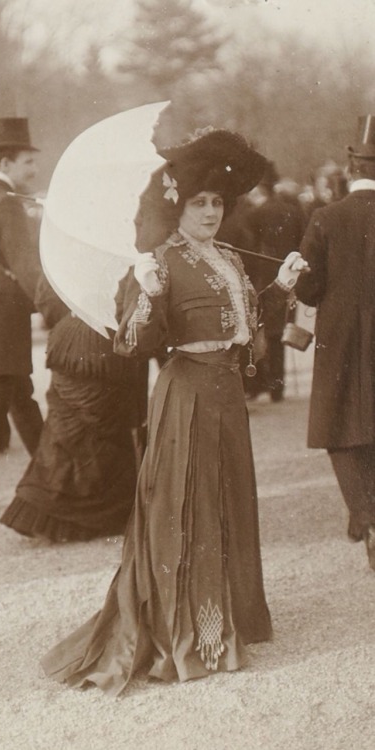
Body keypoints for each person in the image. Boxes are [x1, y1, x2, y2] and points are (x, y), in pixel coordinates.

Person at [41, 125, 307, 695]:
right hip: (185, 396)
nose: (210, 212)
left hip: (227, 397)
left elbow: (240, 328)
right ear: (177, 206)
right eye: (198, 203)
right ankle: (194, 634)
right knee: (189, 509)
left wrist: (279, 289)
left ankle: (233, 615)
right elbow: (133, 347)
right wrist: (148, 292)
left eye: (217, 202)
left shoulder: (230, 256)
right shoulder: (156, 263)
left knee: (227, 502)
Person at [0, 274, 147, 542]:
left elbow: (45, 300)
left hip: (70, 331)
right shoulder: (120, 262)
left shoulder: (61, 262)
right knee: (98, 422)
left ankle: (56, 510)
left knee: (69, 426)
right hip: (101, 335)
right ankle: (94, 516)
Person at [295, 115, 375, 570]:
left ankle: (366, 514)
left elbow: (308, 290)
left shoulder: (325, 218)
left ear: (351, 166)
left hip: (341, 337)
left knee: (342, 428)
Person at [0, 117, 43, 485]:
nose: (35, 170)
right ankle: (57, 479)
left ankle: (55, 479)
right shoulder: (6, 203)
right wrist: (52, 305)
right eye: (28, 162)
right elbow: (25, 265)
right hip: (3, 314)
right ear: (5, 164)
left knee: (22, 396)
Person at [244, 161, 306, 401]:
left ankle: (264, 383)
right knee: (281, 330)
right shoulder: (293, 210)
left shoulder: (255, 214)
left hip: (264, 276)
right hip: (290, 272)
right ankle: (278, 386)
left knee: (263, 331)